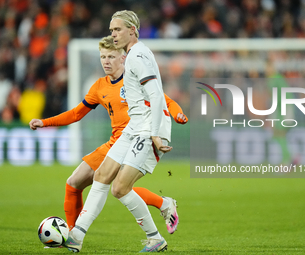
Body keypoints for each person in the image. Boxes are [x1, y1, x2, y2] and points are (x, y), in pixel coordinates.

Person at [29, 34, 187, 250]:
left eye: (111, 56)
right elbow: (76, 114)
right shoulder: (99, 87)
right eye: (103, 56)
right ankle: (72, 235)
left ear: (123, 58)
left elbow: (166, 100)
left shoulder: (134, 77)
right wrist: (45, 122)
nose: (106, 61)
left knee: (119, 187)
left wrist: (178, 115)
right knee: (74, 183)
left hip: (139, 138)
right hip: (116, 141)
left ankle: (158, 214)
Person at [63, 10, 177, 253]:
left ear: (132, 30)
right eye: (111, 30)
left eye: (117, 29)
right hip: (136, 126)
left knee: (120, 188)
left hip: (148, 129)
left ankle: (155, 237)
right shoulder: (134, 53)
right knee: (101, 175)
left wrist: (155, 134)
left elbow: (157, 96)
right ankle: (76, 235)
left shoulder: (136, 56)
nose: (113, 34)